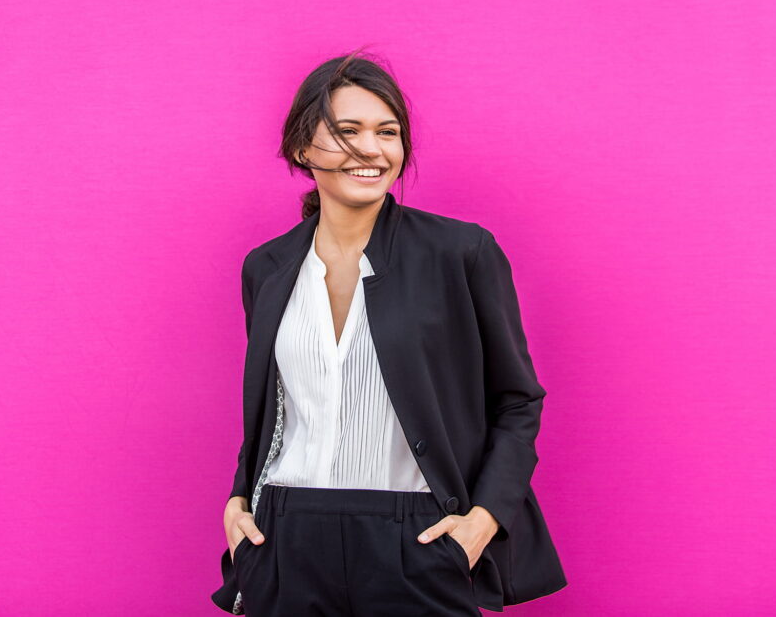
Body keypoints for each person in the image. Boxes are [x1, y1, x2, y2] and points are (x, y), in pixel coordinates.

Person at [211, 50, 567, 616]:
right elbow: (276, 407)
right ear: (302, 148)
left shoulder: (461, 253)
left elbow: (518, 400)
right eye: (347, 130)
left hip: (418, 537)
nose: (372, 150)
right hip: (284, 533)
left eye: (388, 132)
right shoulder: (268, 268)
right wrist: (238, 501)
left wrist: (482, 521)